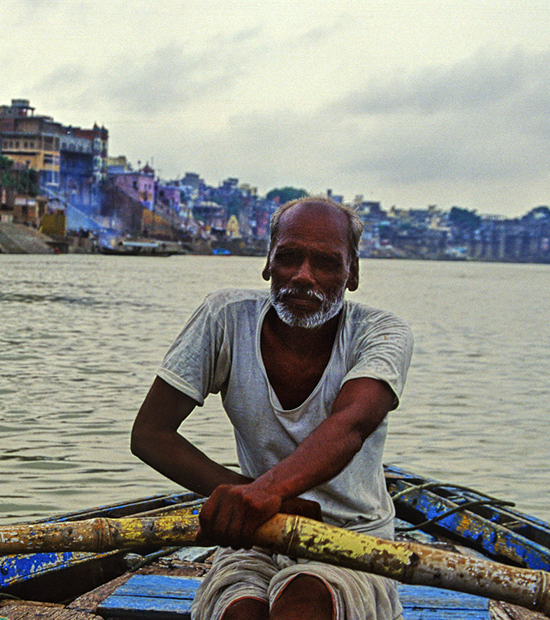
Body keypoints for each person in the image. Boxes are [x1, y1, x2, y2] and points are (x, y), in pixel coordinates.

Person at [131, 198, 413, 620]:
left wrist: (263, 493)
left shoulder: (381, 333)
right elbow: (151, 434)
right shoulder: (224, 317)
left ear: (352, 273)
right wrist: (243, 497)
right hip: (257, 536)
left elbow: (351, 425)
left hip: (350, 539)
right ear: (267, 263)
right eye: (288, 258)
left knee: (305, 604)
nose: (303, 276)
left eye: (325, 263)